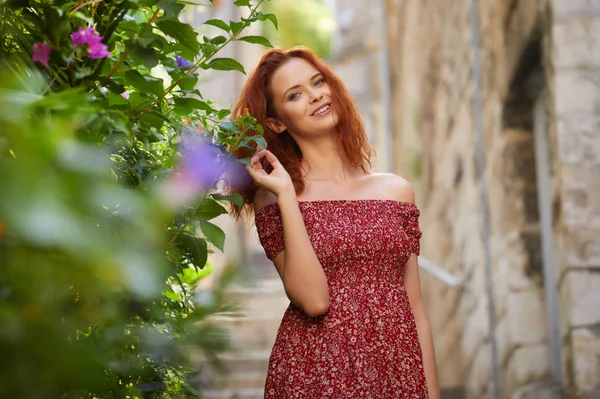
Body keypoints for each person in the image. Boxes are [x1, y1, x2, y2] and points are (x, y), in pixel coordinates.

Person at [230, 47, 440, 399]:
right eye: (295, 94)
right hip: (315, 372)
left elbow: (415, 307)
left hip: (397, 369)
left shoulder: (396, 190)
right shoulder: (276, 198)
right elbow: (313, 301)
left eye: (318, 82)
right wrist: (286, 194)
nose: (314, 95)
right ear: (277, 122)